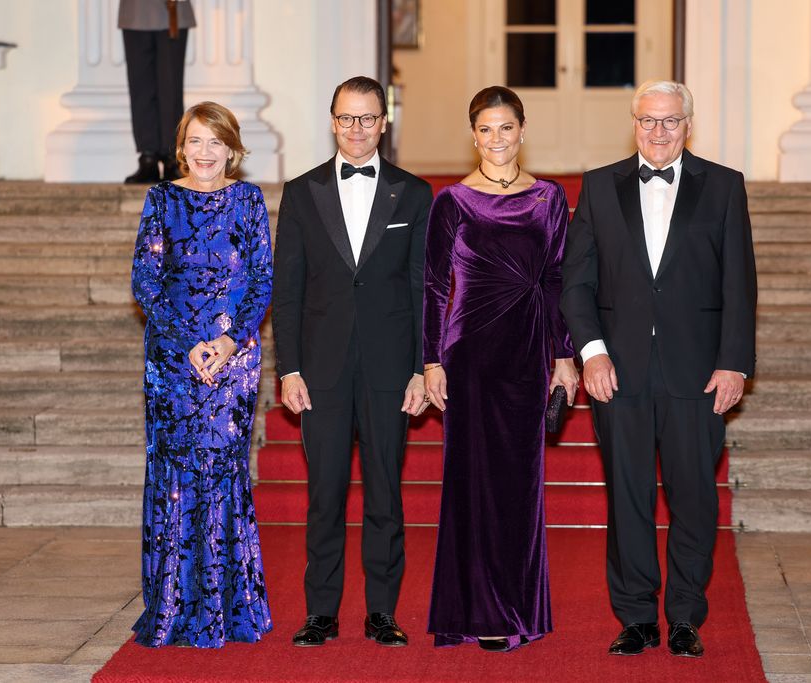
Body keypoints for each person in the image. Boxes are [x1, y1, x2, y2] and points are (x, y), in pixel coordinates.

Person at [560, 80, 757, 658]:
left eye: (670, 121)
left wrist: (734, 365)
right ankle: (638, 616)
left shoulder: (723, 186)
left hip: (698, 373)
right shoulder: (599, 187)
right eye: (648, 121)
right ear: (634, 123)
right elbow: (577, 283)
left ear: (687, 124)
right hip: (617, 372)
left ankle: (686, 616)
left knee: (695, 496)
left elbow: (739, 286)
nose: (658, 131)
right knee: (627, 496)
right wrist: (590, 352)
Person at [271, 76, 432, 648]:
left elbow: (423, 288)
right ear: (332, 120)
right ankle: (321, 611)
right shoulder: (301, 191)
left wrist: (420, 367)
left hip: (392, 370)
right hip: (320, 370)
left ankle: (382, 612)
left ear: (384, 122)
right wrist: (287, 369)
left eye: (367, 118)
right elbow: (286, 290)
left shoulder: (414, 193)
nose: (357, 128)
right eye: (347, 118)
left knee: (386, 493)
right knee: (325, 494)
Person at [423, 86, 578, 653]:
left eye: (505, 128)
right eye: (485, 129)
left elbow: (558, 277)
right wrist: (431, 359)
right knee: (471, 485)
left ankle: (517, 602)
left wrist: (565, 355)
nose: (496, 139)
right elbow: (435, 285)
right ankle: (478, 608)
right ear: (473, 135)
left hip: (528, 350)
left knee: (519, 485)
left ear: (522, 130)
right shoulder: (452, 202)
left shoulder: (549, 198)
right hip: (470, 354)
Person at [130, 101, 273, 647]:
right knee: (175, 471)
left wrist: (226, 341)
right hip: (172, 359)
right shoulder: (161, 200)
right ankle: (171, 607)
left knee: (222, 468)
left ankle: (228, 609)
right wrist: (190, 342)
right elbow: (145, 281)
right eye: (195, 141)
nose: (206, 152)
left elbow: (262, 280)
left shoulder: (250, 201)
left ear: (232, 147)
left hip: (233, 359)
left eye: (216, 142)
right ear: (181, 147)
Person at [119, 0, 195, 184]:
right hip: (135, 9)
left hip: (171, 8)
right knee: (140, 89)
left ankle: (172, 157)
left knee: (171, 90)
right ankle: (148, 158)